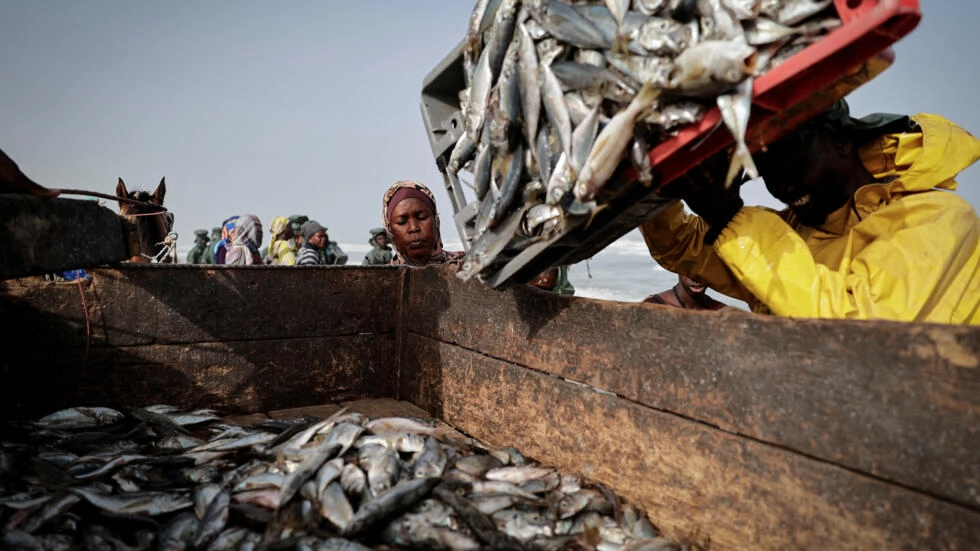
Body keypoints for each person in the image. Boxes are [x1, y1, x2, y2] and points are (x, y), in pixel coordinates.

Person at [640, 98, 980, 323]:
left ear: (842, 141)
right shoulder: (795, 231)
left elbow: (856, 327)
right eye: (765, 172)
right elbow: (684, 244)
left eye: (791, 161)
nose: (781, 186)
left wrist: (731, 217)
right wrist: (649, 177)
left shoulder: (937, 218)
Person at [382, 179, 463, 267]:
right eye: (402, 222)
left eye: (422, 217)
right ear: (389, 230)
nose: (413, 228)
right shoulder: (382, 278)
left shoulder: (469, 267)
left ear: (436, 222)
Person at [642, 274, 726, 310]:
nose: (696, 277)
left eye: (703, 270)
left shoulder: (720, 311)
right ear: (677, 268)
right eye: (689, 268)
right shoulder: (653, 307)